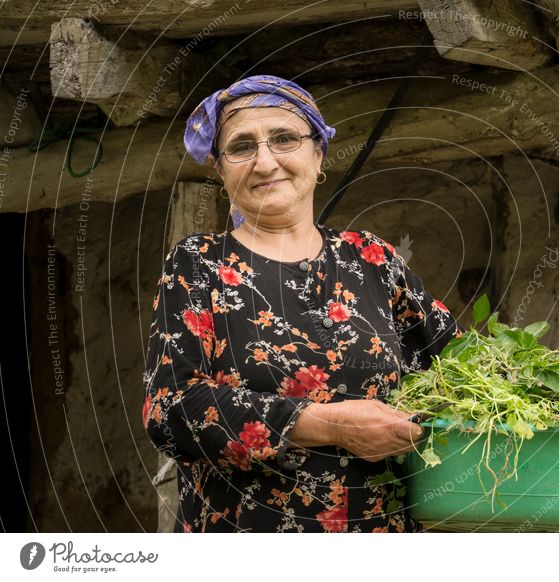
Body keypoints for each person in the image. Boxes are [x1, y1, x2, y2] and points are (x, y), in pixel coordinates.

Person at [142, 75, 465, 532]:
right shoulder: (198, 264)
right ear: (220, 170)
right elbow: (171, 409)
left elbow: (460, 365)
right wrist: (329, 425)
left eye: (284, 139)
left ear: (318, 154)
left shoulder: (372, 259)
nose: (265, 161)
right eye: (241, 147)